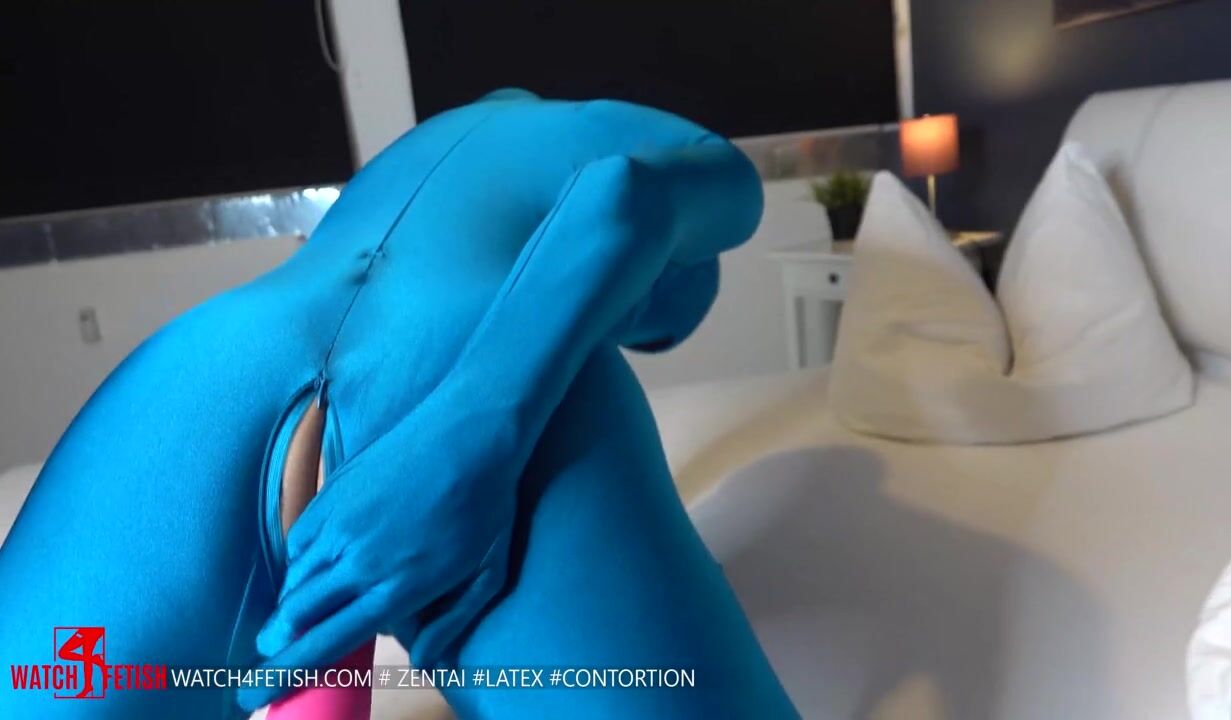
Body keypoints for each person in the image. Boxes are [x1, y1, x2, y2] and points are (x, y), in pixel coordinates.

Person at [0, 90, 798, 719]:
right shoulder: (688, 149)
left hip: (209, 366)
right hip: (457, 368)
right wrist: (469, 439)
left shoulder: (418, 152)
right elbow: (623, 199)